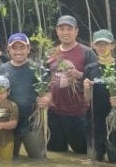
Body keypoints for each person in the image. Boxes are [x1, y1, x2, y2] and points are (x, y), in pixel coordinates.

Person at [37, 16, 97, 154]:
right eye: (62, 29)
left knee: (83, 153)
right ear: (57, 31)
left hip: (79, 114)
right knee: (56, 153)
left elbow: (96, 80)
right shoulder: (50, 53)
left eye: (69, 29)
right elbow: (44, 82)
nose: (65, 32)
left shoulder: (87, 53)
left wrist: (80, 75)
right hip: (54, 113)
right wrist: (45, 98)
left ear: (76, 31)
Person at [0, 33, 46, 160]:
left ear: (28, 49)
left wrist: (46, 99)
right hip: (7, 123)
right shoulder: (1, 70)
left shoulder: (37, 69)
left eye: (22, 47)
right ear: (8, 50)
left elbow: (48, 90)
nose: (18, 51)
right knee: (7, 161)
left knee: (39, 161)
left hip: (32, 123)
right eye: (14, 48)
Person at [83, 30, 116, 165]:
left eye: (105, 44)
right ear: (93, 46)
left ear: (113, 45)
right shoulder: (89, 69)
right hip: (94, 126)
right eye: (98, 44)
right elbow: (86, 100)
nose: (102, 47)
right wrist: (86, 88)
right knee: (93, 165)